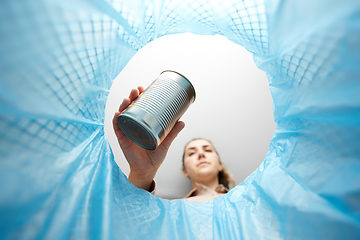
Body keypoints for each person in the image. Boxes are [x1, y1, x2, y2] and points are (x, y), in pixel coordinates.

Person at [112, 86, 235, 202]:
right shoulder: (170, 210)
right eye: (192, 153)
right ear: (185, 171)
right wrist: (141, 173)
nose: (201, 154)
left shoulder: (247, 201)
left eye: (208, 150)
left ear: (220, 165)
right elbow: (127, 221)